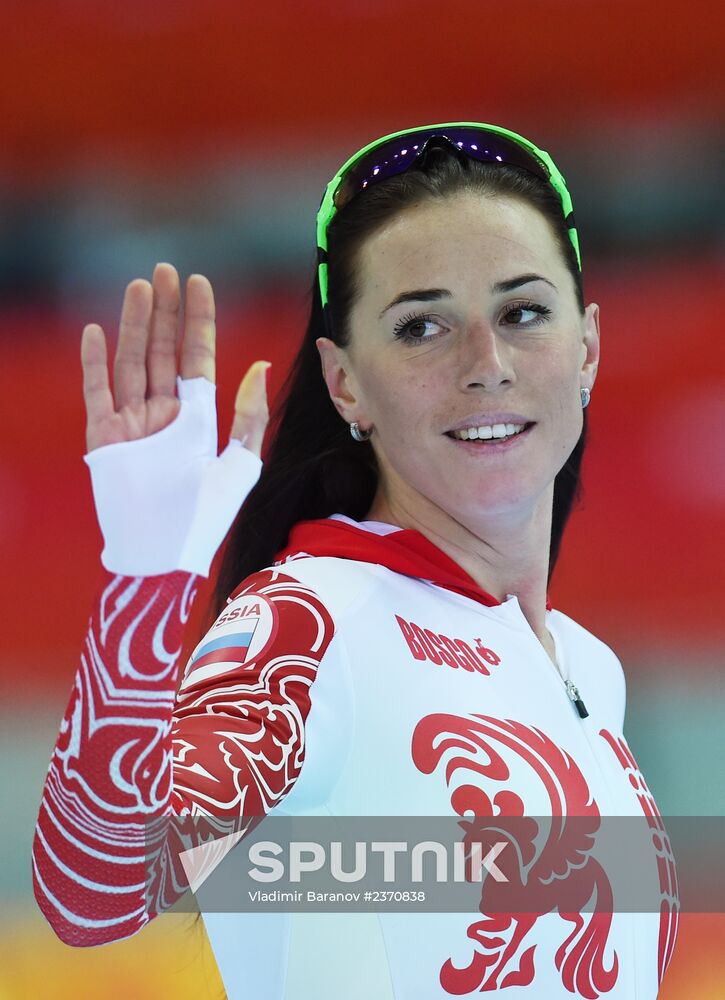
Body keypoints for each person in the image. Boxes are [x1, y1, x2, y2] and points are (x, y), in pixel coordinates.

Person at [32, 123, 679, 998]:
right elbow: (94, 890)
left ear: (587, 349)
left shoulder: (589, 668)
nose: (484, 365)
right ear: (344, 384)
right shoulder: (306, 622)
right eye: (421, 327)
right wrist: (146, 585)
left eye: (522, 313)